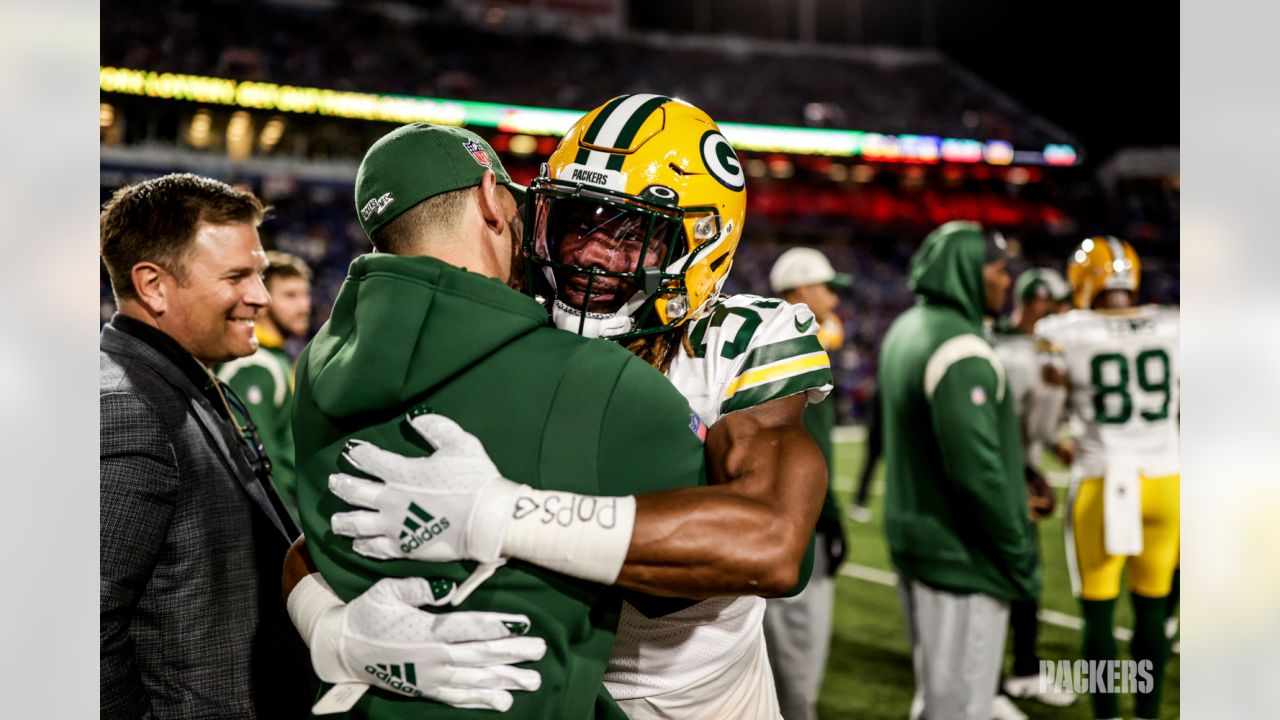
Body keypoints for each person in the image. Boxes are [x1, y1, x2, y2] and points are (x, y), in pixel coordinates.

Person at [287, 119, 828, 719]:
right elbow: (345, 518)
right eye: (579, 222)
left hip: (711, 692)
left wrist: (504, 516)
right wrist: (330, 625)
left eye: (630, 234)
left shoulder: (737, 340)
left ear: (699, 245)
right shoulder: (507, 319)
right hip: (567, 686)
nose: (592, 254)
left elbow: (774, 543)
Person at [99, 173, 312, 718]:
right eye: (238, 276)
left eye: (260, 275)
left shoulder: (174, 378)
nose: (259, 298)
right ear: (153, 286)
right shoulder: (127, 406)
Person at [878, 220, 1041, 720]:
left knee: (936, 696)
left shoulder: (909, 327)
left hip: (919, 541)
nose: (1006, 280)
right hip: (962, 556)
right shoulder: (961, 349)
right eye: (997, 268)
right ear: (968, 271)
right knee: (959, 707)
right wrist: (1020, 554)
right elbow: (977, 475)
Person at [1036, 236, 1179, 720]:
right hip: (1166, 482)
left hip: (1103, 480)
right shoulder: (1175, 324)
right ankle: (1149, 713)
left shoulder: (1063, 331)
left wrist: (1056, 438)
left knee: (1098, 610)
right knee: (1154, 609)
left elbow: (1046, 411)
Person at [762, 246, 852, 720]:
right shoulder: (799, 346)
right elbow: (806, 446)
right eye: (824, 286)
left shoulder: (769, 339)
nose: (833, 298)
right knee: (798, 656)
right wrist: (832, 515)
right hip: (798, 514)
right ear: (798, 288)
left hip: (775, 509)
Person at [990, 267, 1078, 712]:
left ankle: (1015, 671)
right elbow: (1034, 426)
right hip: (1008, 473)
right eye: (1060, 305)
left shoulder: (989, 339)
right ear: (1043, 303)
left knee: (1013, 576)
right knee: (1017, 576)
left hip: (995, 466)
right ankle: (1002, 680)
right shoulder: (1037, 354)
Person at [218, 250, 312, 523]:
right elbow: (260, 465)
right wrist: (290, 529)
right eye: (290, 295)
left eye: (305, 294)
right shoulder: (253, 366)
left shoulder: (275, 358)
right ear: (265, 301)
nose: (304, 305)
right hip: (280, 524)